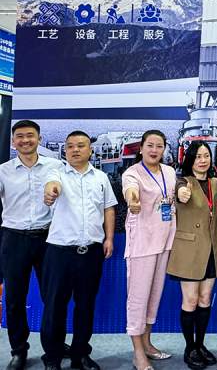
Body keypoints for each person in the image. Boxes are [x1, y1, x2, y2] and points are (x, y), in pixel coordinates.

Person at [41, 131, 116, 370]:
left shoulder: (101, 178)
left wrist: (109, 238)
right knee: (55, 307)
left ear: (90, 150)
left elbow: (109, 209)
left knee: (85, 306)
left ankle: (80, 355)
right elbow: (51, 185)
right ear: (65, 150)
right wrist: (51, 191)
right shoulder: (56, 173)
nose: (75, 150)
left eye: (80, 145)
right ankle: (52, 357)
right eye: (70, 146)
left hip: (91, 252)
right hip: (59, 253)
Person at [0, 120, 63, 370]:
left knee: (53, 297)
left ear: (39, 138)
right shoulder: (3, 171)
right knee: (14, 298)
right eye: (20, 136)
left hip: (48, 238)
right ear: (13, 141)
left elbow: (59, 188)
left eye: (30, 135)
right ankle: (19, 350)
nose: (25, 140)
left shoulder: (54, 166)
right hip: (13, 238)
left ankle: (53, 352)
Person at [122, 130, 177, 370]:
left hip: (164, 241)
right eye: (150, 145)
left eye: (159, 146)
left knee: (154, 296)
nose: (154, 150)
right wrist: (133, 200)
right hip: (142, 243)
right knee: (138, 298)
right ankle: (137, 352)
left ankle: (147, 343)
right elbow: (130, 189)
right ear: (141, 148)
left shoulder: (169, 172)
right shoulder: (132, 173)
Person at [167, 142, 217, 370]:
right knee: (190, 300)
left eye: (206, 155)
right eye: (198, 156)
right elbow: (180, 194)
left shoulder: (216, 183)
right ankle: (189, 348)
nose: (202, 160)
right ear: (190, 159)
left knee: (205, 299)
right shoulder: (182, 182)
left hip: (212, 250)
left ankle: (200, 345)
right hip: (190, 251)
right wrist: (182, 194)